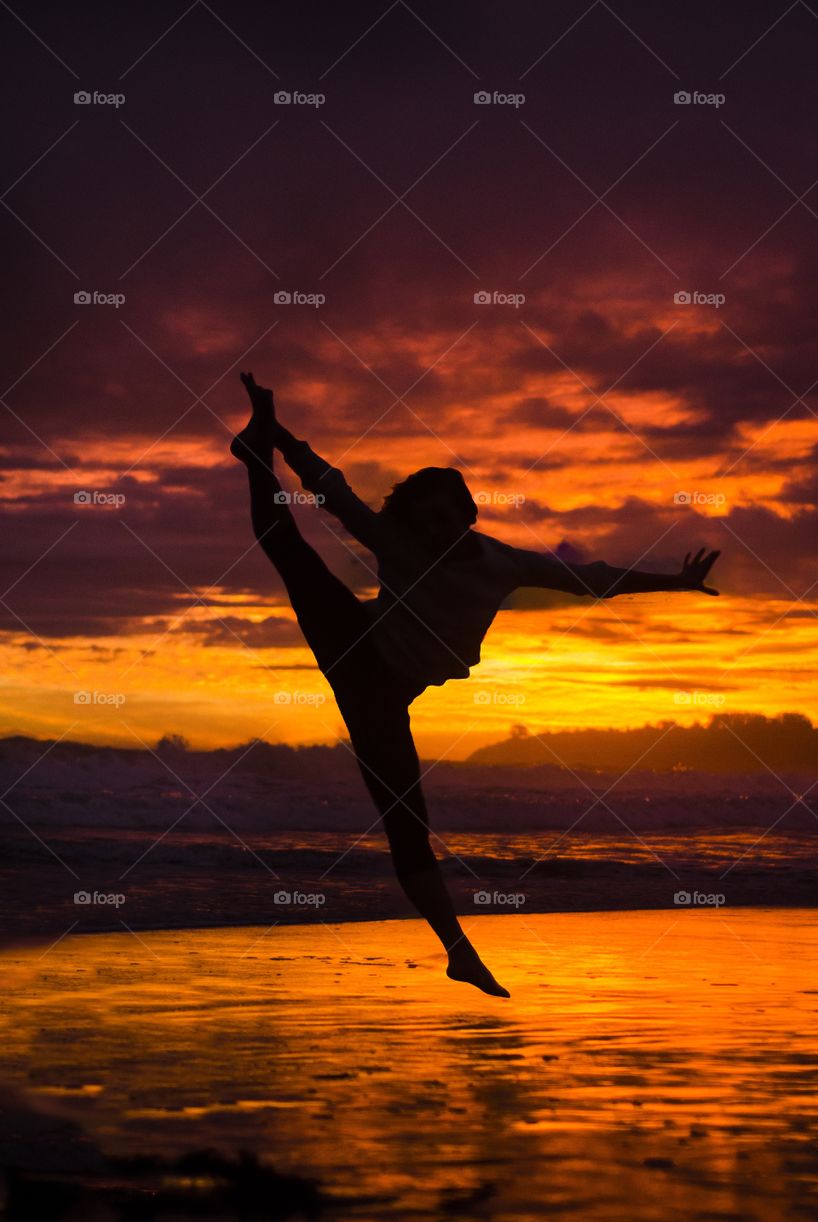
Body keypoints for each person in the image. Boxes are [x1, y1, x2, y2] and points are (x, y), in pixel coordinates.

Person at [231, 372, 721, 998]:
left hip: (387, 690)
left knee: (409, 824)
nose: (436, 528)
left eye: (447, 516)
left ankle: (458, 954)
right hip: (359, 656)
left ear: (468, 514)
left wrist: (673, 584)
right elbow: (333, 492)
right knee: (288, 546)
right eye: (426, 518)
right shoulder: (397, 541)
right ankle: (256, 452)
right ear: (414, 520)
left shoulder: (504, 563)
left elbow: (593, 578)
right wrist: (285, 444)